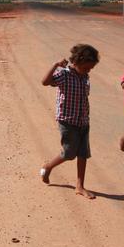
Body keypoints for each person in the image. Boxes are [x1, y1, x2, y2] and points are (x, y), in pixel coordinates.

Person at [40, 44, 100, 199]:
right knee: (69, 153)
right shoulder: (64, 75)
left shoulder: (85, 76)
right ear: (78, 62)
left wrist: (85, 117)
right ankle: (48, 166)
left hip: (83, 120)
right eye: (87, 68)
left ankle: (80, 186)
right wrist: (55, 65)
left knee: (83, 153)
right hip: (67, 121)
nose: (89, 71)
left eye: (91, 69)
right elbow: (45, 82)